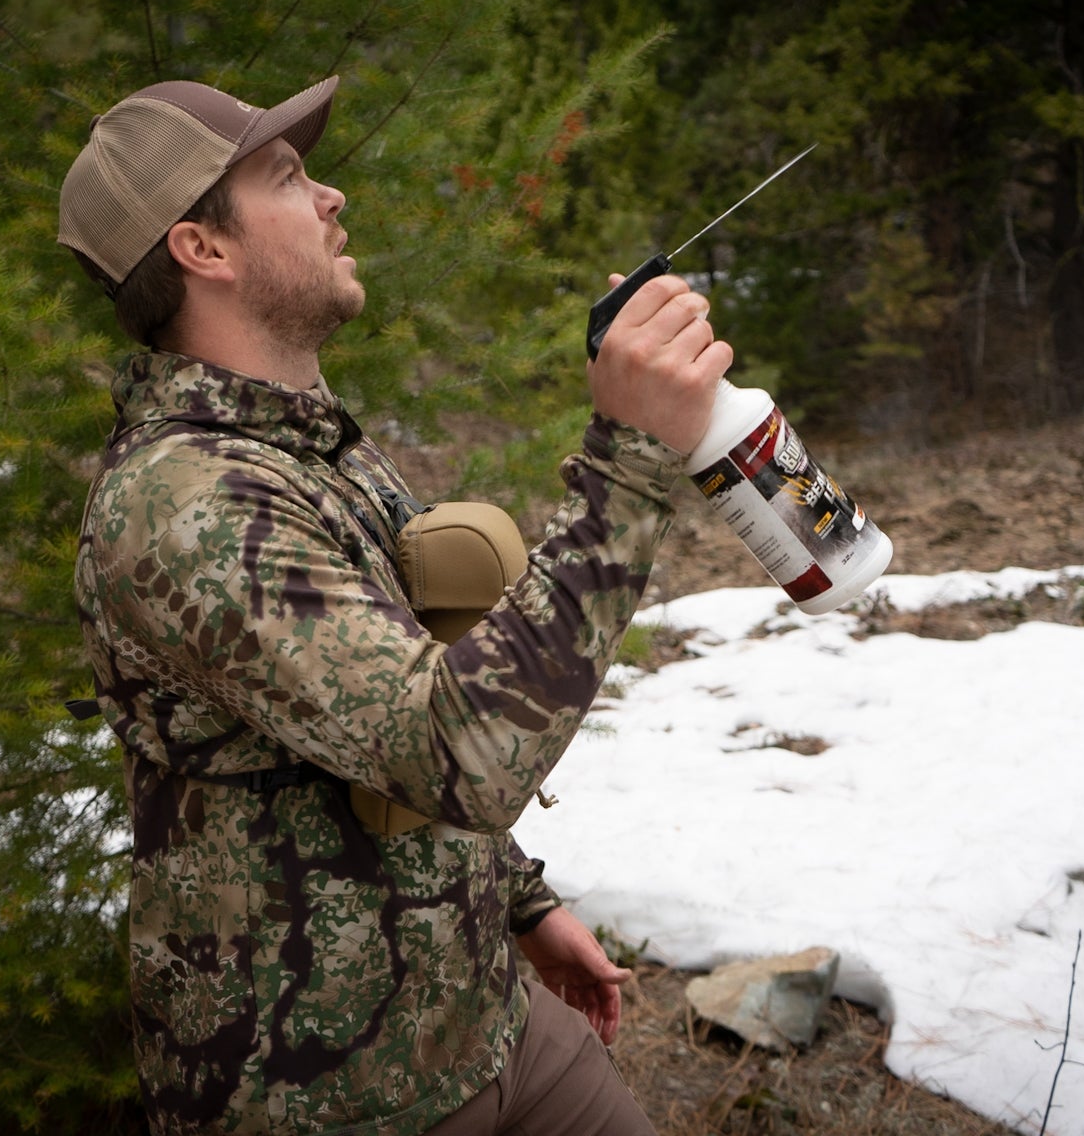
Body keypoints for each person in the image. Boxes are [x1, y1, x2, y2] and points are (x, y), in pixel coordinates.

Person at [62, 75, 730, 1136]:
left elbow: (379, 715)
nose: (332, 198)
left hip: (490, 1026)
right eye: (286, 176)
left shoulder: (304, 446)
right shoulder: (182, 505)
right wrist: (635, 456)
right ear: (204, 250)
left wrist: (521, 902)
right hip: (325, 1095)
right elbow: (452, 748)